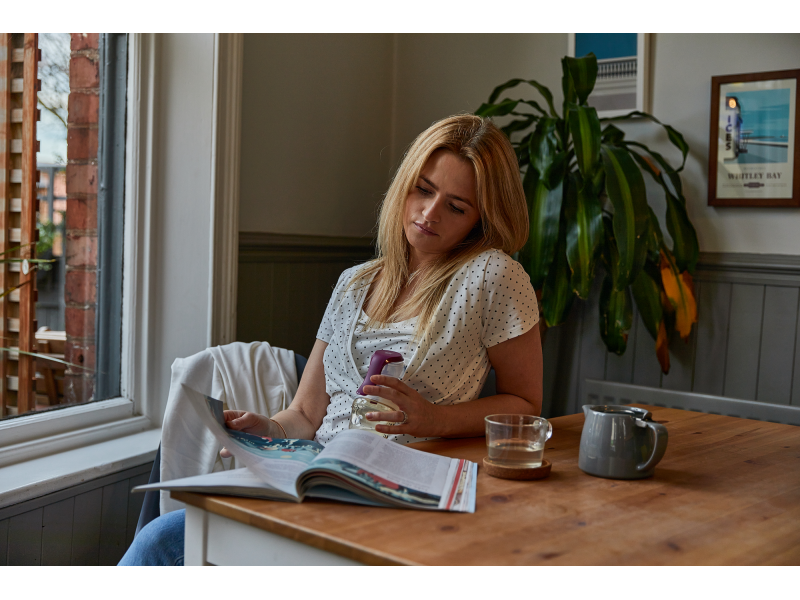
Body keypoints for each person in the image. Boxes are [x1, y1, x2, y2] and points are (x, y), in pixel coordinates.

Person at [119, 114, 543, 565]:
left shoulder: (492, 275)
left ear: (480, 221)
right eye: (423, 189)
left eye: (456, 207)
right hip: (317, 476)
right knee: (162, 539)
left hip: (399, 491)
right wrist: (267, 432)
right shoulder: (354, 283)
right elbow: (306, 413)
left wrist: (433, 419)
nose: (429, 212)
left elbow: (525, 404)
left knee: (162, 543)